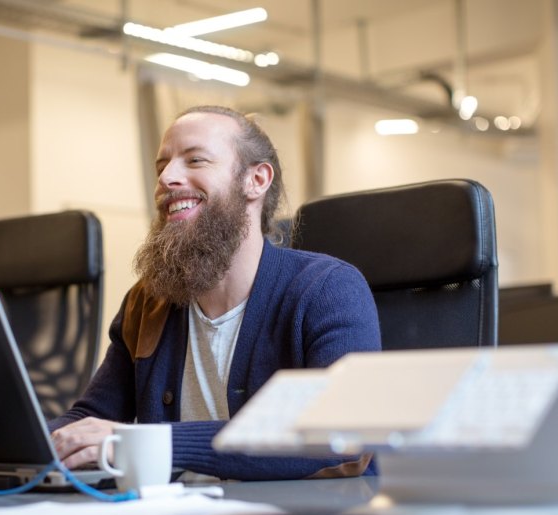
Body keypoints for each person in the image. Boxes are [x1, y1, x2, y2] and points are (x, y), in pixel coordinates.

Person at [50, 105, 381, 481]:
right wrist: (30, 441)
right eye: (162, 166)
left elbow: (336, 433)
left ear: (256, 180)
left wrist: (146, 440)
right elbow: (92, 417)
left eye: (195, 160)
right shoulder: (148, 302)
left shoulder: (328, 289)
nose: (167, 178)